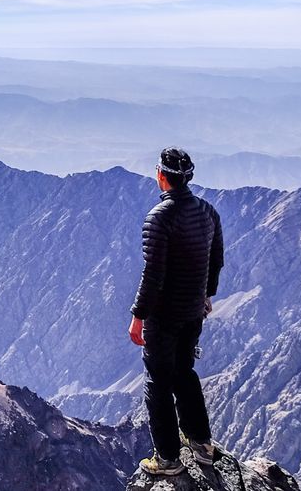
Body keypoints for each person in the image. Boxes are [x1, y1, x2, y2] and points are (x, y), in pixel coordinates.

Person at [127, 147, 224, 476]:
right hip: (194, 311)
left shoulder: (159, 219)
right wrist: (207, 295)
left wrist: (138, 316)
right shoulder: (208, 212)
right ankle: (201, 443)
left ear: (161, 175)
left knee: (157, 380)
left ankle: (167, 458)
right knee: (184, 373)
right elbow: (215, 259)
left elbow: (153, 274)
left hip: (164, 315)